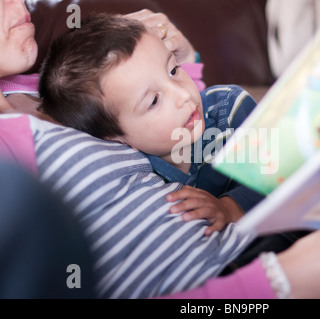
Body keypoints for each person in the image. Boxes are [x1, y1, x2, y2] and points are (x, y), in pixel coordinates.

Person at [1, 0, 320, 300]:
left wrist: (178, 63)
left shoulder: (44, 79)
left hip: (273, 235)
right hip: (253, 280)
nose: (19, 3)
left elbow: (201, 128)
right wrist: (285, 281)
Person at [38, 13, 265, 236]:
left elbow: (282, 171)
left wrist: (229, 207)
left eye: (174, 70)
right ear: (116, 138)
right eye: (154, 101)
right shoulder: (138, 179)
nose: (183, 94)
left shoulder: (229, 108)